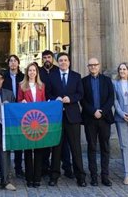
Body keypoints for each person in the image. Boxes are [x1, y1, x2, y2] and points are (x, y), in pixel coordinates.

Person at [47, 52, 87, 187]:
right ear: (58, 62)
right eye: (61, 60)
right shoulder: (52, 77)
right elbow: (48, 93)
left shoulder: (76, 76)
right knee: (56, 147)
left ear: (69, 62)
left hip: (73, 116)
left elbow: (80, 94)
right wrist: (55, 99)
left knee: (75, 147)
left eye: (65, 60)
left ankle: (80, 176)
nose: (63, 62)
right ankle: (54, 176)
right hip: (57, 118)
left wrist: (71, 99)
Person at [81, 57, 115, 187]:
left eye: (95, 65)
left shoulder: (106, 80)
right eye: (90, 65)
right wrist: (93, 111)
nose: (93, 67)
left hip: (104, 119)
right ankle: (94, 176)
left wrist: (102, 111)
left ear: (99, 66)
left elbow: (111, 98)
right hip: (90, 119)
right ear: (88, 67)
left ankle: (105, 176)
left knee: (105, 148)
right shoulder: (84, 81)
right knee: (92, 147)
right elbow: (82, 100)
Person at [17, 62, 47, 188]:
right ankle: (29, 178)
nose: (32, 72)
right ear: (27, 72)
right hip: (27, 123)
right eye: (30, 70)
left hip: (39, 122)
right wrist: (22, 101)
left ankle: (37, 178)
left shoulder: (42, 86)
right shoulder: (22, 86)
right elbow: (18, 100)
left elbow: (44, 101)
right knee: (28, 151)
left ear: (37, 72)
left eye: (34, 70)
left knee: (39, 151)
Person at [3, 54, 25, 178]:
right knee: (6, 140)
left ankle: (18, 168)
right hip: (7, 112)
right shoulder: (4, 77)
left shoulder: (23, 77)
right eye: (10, 61)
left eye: (15, 61)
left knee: (18, 141)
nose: (12, 63)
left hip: (20, 112)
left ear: (18, 63)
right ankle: (4, 168)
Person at [37, 50, 59, 176]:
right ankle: (44, 167)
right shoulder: (39, 72)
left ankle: (64, 167)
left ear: (52, 58)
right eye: (44, 57)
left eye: (49, 57)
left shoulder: (57, 70)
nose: (47, 60)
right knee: (44, 141)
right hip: (42, 111)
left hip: (56, 110)